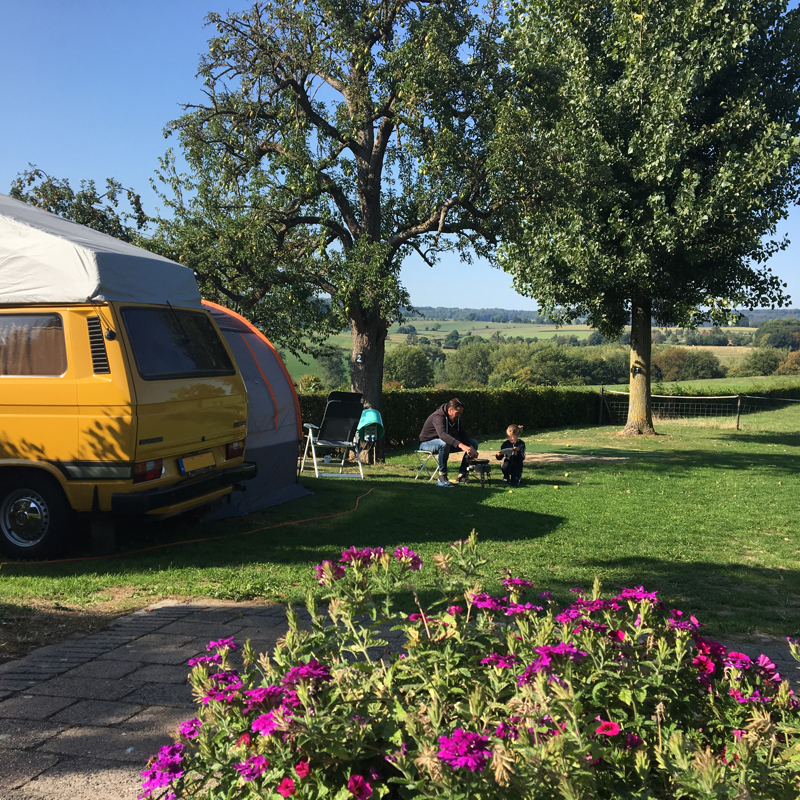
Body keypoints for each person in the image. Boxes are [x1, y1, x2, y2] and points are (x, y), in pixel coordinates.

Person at [418, 398, 479, 487]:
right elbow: (442, 435)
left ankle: (462, 475)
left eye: (460, 413)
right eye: (457, 413)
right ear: (450, 410)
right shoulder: (438, 417)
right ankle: (442, 475)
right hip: (426, 443)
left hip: (442, 443)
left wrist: (470, 446)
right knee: (444, 443)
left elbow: (463, 434)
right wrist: (461, 445)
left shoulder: (455, 418)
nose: (459, 415)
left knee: (473, 443)